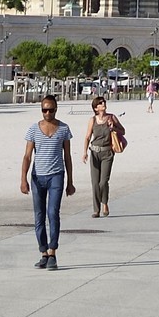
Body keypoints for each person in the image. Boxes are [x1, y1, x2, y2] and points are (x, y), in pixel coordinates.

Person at [19, 94, 74, 269]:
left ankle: (52, 252)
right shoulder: (33, 130)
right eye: (44, 110)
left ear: (56, 109)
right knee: (39, 216)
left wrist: (70, 181)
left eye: (50, 110)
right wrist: (23, 179)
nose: (47, 113)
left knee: (53, 213)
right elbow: (27, 156)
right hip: (37, 178)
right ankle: (43, 252)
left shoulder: (64, 128)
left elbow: (67, 156)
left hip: (56, 175)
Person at [84, 92, 125, 216]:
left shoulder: (112, 117)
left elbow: (123, 131)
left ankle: (105, 203)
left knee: (103, 182)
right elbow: (87, 137)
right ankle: (96, 210)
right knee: (95, 182)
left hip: (107, 152)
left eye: (104, 103)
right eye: (101, 103)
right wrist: (84, 152)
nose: (104, 104)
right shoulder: (92, 120)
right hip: (95, 152)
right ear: (96, 108)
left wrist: (114, 128)